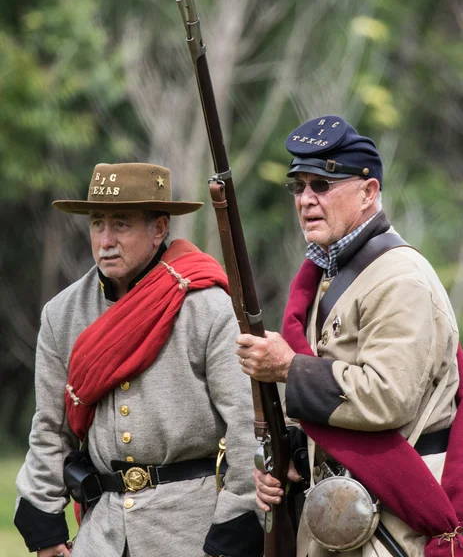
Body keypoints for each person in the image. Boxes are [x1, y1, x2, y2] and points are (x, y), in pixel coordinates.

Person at [236, 116, 461, 557]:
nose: (305, 199)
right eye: (298, 186)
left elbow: (387, 396)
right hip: (348, 510)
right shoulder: (332, 273)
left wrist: (289, 368)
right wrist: (298, 456)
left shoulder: (400, 279)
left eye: (322, 184)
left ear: (368, 192)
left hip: (394, 521)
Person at [15, 162, 264, 557]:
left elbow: (246, 431)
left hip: (191, 533)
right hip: (102, 536)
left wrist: (234, 527)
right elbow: (50, 429)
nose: (106, 240)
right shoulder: (62, 314)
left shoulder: (208, 309)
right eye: (98, 223)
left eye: (122, 224)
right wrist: (43, 525)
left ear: (159, 229)